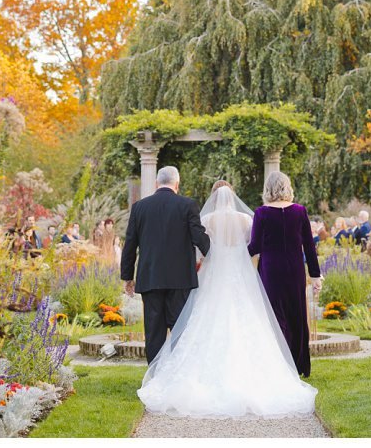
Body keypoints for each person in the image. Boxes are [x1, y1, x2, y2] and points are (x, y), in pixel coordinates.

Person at [137, 180, 317, 417]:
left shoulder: (207, 220)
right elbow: (253, 245)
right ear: (233, 197)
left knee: (206, 319)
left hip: (214, 275)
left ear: (214, 197)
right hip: (240, 275)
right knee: (250, 319)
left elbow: (201, 249)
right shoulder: (246, 220)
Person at [120, 166, 211, 364]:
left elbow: (130, 245)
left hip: (150, 277)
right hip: (180, 279)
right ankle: (178, 374)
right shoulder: (188, 205)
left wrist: (127, 277)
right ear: (177, 184)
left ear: (156, 183)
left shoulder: (140, 207)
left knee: (154, 332)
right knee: (180, 329)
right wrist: (213, 252)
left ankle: (154, 374)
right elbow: (199, 237)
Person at [247, 171, 322, 379]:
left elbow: (255, 246)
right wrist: (315, 275)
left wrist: (235, 253)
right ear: (287, 187)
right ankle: (298, 365)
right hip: (295, 270)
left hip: (272, 270)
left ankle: (279, 364)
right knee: (297, 314)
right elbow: (309, 245)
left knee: (275, 316)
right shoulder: (300, 211)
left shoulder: (261, 213)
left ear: (268, 189)